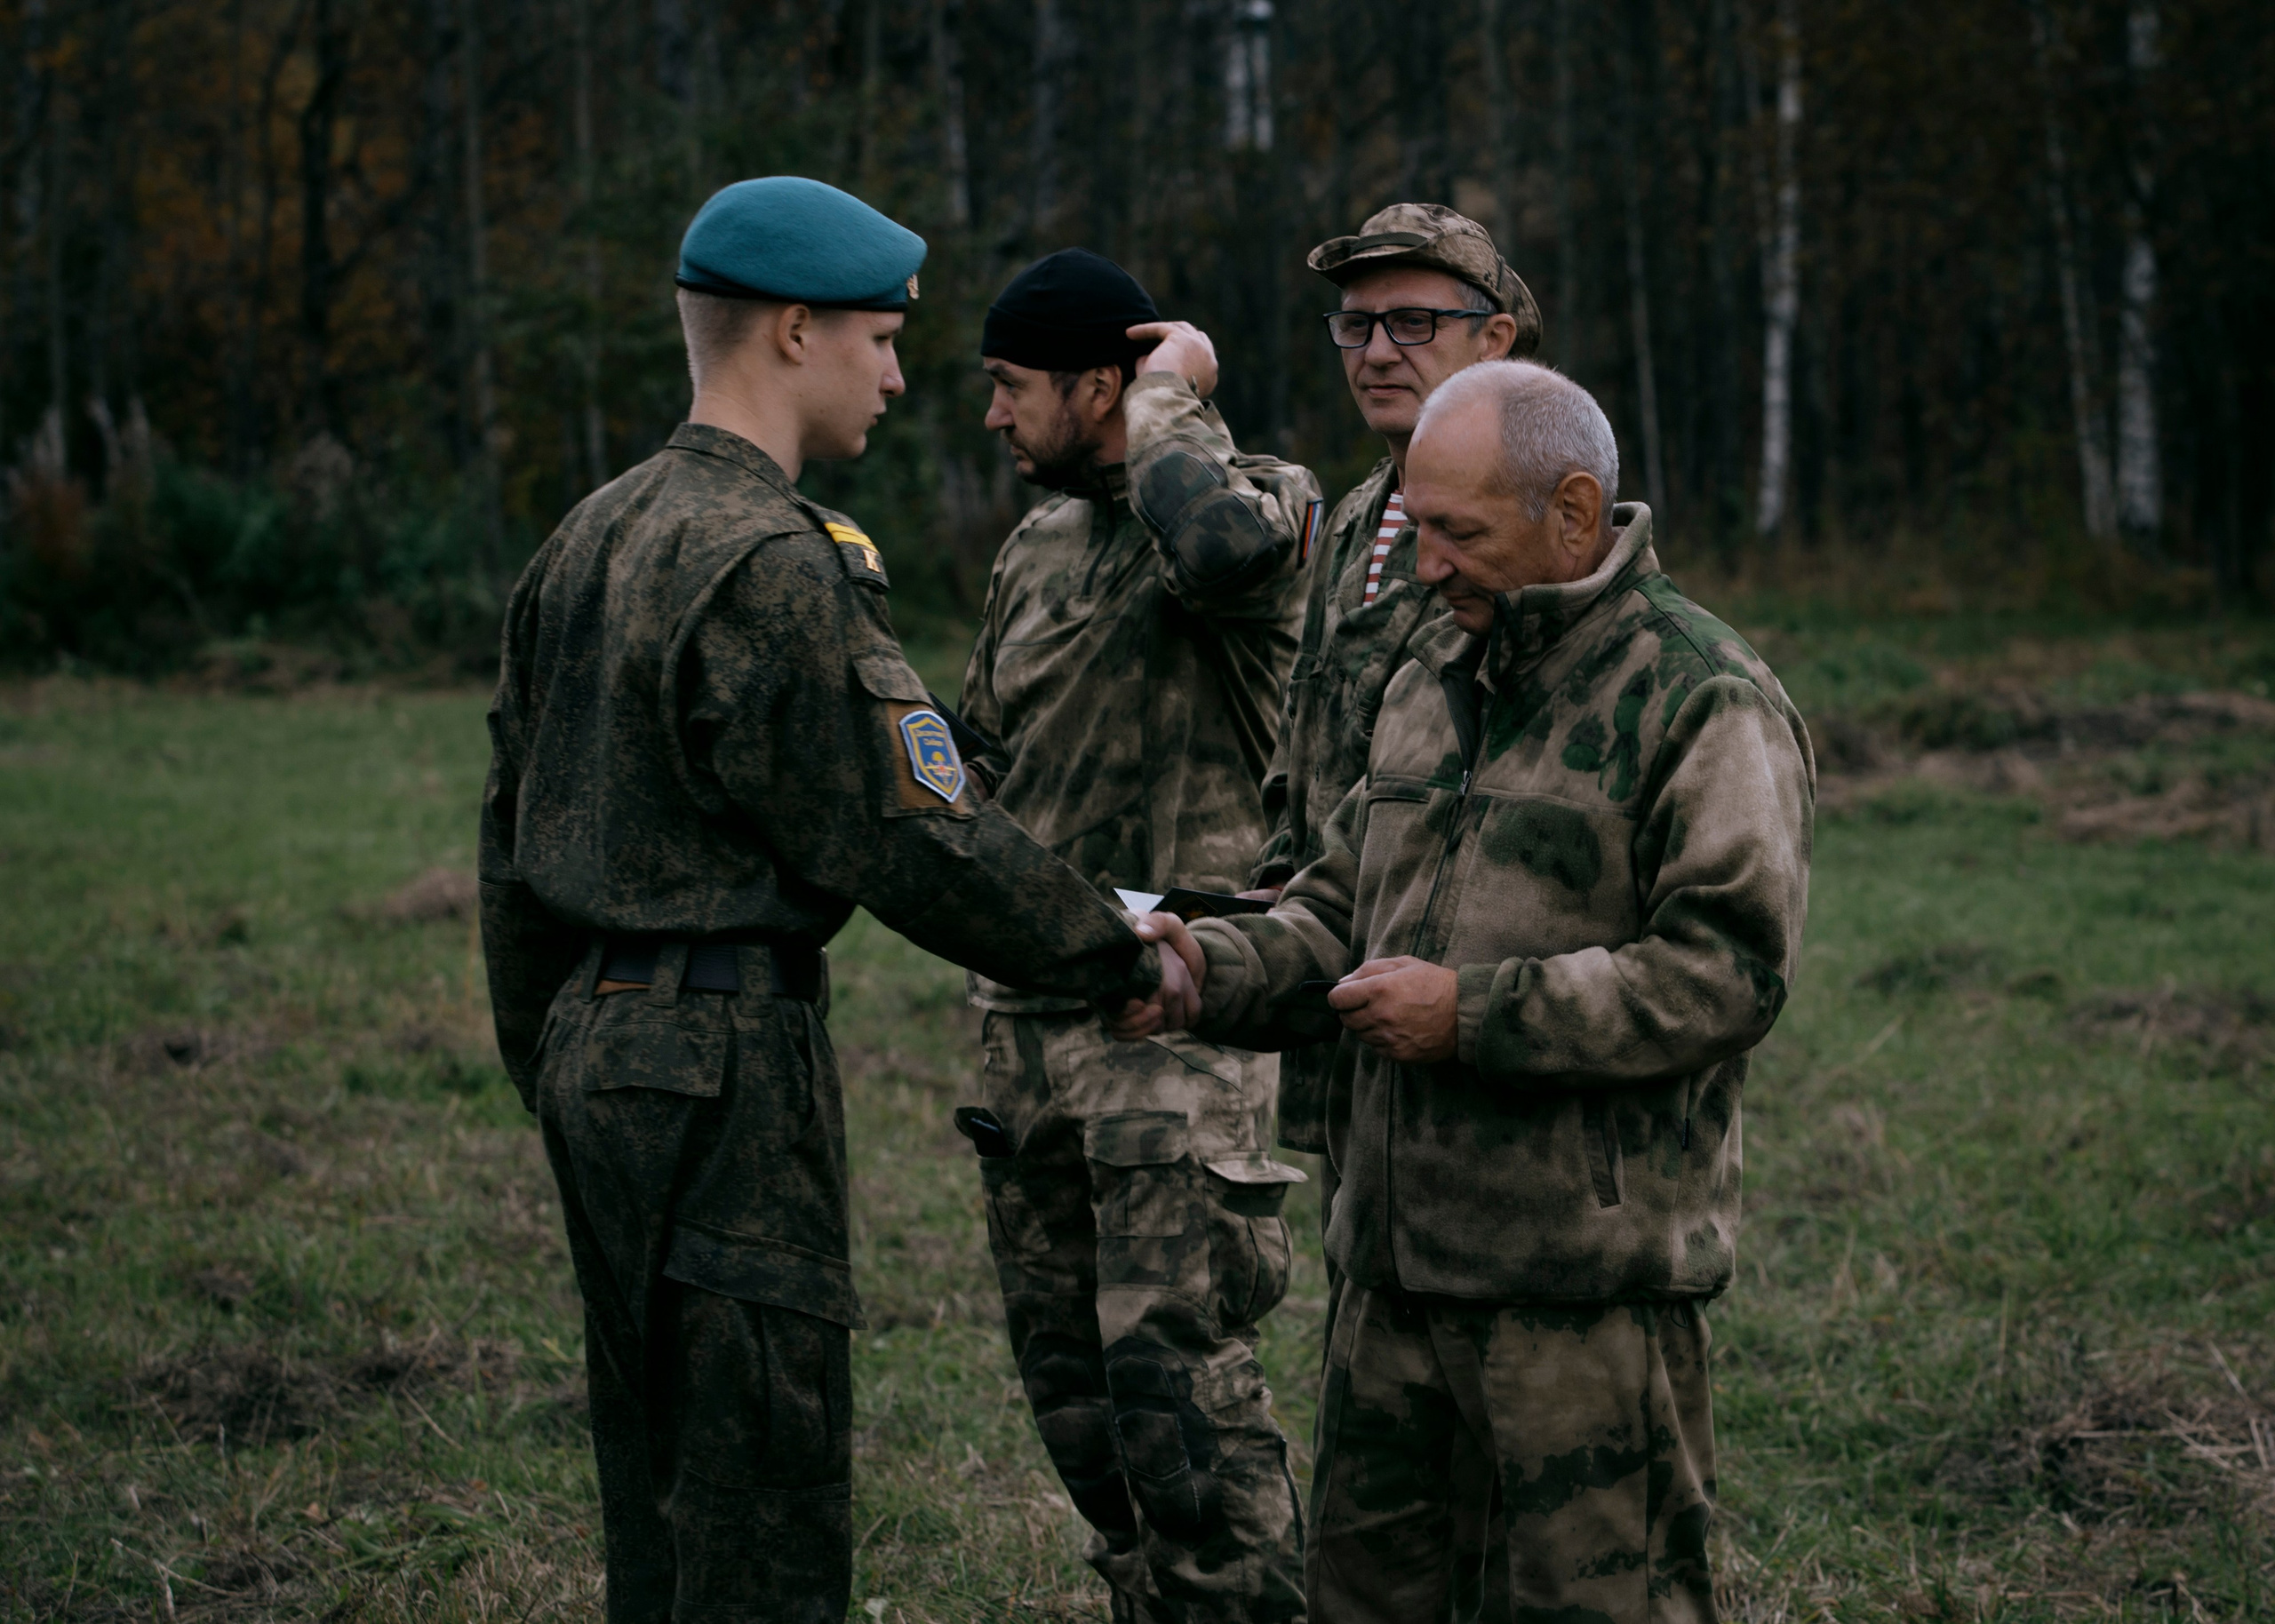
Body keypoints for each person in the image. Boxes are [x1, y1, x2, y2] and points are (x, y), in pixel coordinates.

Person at [478, 179, 1196, 1624]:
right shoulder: (772, 561)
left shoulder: (589, 534)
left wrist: (556, 1049)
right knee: (761, 1491)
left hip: (592, 1056)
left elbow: (509, 846)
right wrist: (1113, 944)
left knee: (655, 1479)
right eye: (878, 339)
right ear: (793, 331)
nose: (898, 374)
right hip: (726, 1068)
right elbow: (914, 833)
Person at [1122, 361, 1816, 1622]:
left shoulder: (1701, 695)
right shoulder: (1430, 680)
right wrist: (1200, 970)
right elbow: (1340, 908)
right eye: (1418, 528)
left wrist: (1473, 1016)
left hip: (1580, 1301)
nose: (1425, 567)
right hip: (1389, 1282)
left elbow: (1728, 971)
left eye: (1458, 532)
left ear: (1572, 508)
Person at [952, 248, 1317, 1623]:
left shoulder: (1265, 508)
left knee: (1181, 1402)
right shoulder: (1032, 547)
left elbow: (1214, 547)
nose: (993, 416)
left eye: (1011, 386)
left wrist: (1176, 389)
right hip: (1026, 1032)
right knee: (1076, 1398)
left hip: (1179, 1021)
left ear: (1100, 383)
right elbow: (979, 761)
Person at [1245, 201, 1540, 1288]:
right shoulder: (1366, 513)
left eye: (1412, 322)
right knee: (1369, 1307)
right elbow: (1311, 749)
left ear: (1493, 337)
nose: (1374, 351)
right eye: (1355, 325)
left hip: (1470, 1016)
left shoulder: (1536, 516)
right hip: (1345, 977)